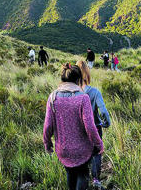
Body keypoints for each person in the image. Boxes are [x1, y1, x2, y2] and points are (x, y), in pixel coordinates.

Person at [43, 63, 104, 190]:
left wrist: (47, 143)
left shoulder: (53, 97)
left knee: (70, 173)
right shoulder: (83, 98)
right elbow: (90, 127)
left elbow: (48, 125)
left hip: (63, 149)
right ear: (78, 80)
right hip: (83, 149)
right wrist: (99, 144)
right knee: (82, 174)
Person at [77, 61, 111, 189]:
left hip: (79, 128)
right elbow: (103, 111)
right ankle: (96, 179)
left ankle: (82, 181)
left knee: (82, 154)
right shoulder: (95, 92)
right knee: (96, 152)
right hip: (95, 127)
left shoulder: (73, 92)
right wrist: (106, 123)